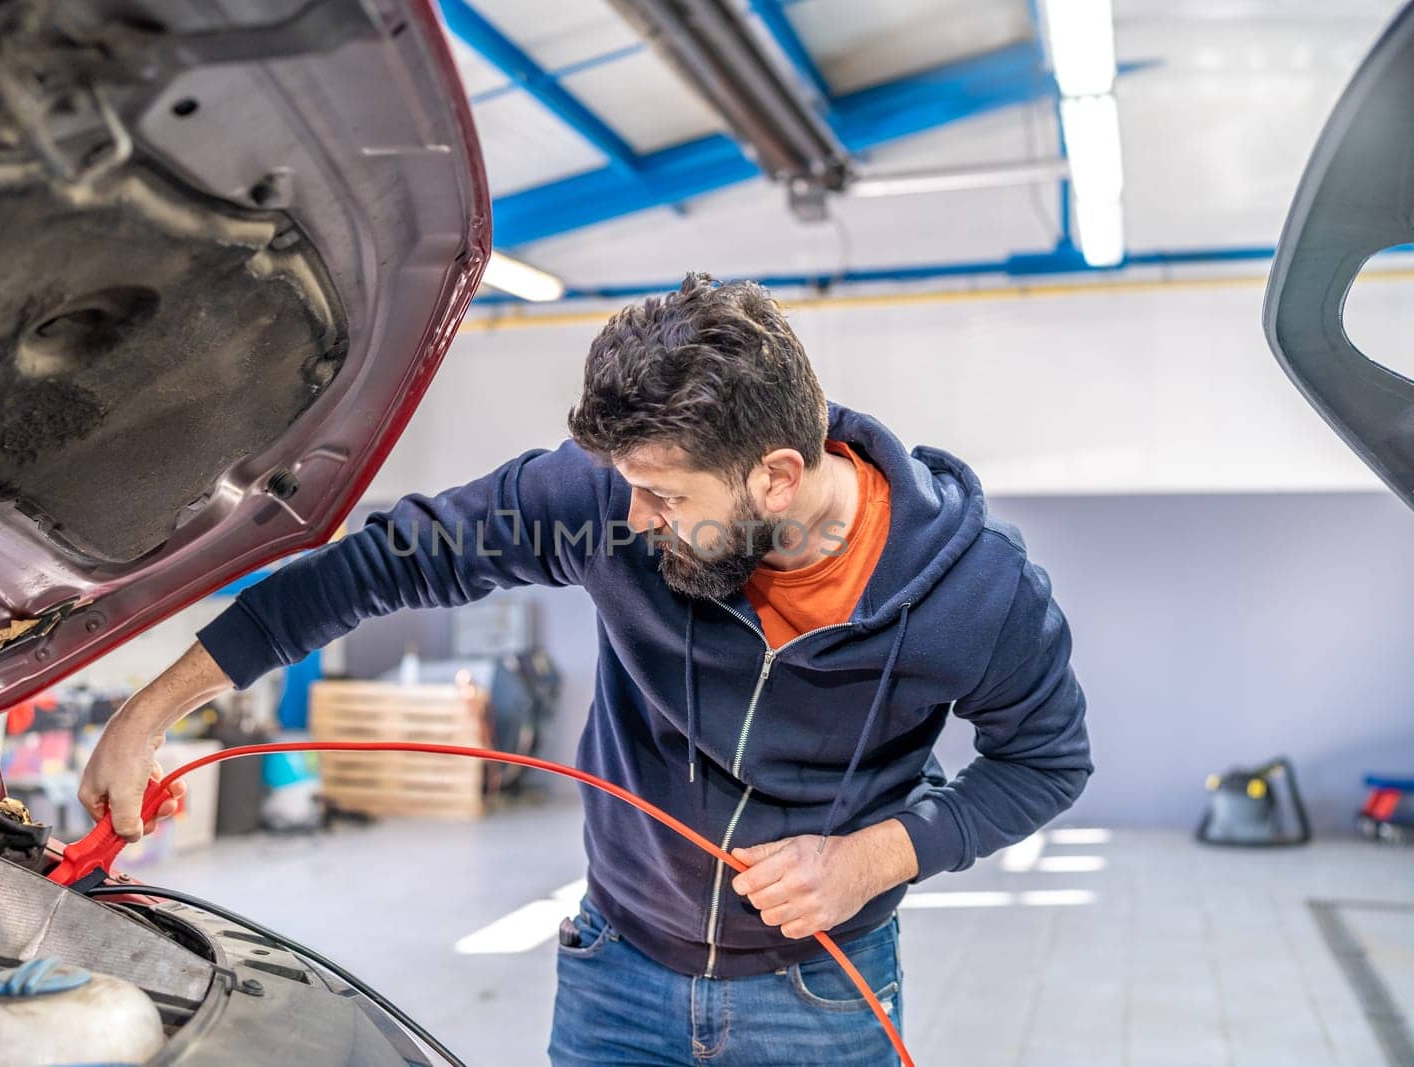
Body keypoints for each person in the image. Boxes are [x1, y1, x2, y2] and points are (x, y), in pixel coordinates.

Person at [79, 272, 1092, 1066]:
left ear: (777, 475)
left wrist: (876, 856)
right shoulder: (603, 499)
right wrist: (152, 709)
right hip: (615, 967)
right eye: (624, 487)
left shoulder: (977, 594)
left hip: (821, 990)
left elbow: (1044, 761)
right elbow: (383, 561)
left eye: (660, 492)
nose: (634, 517)